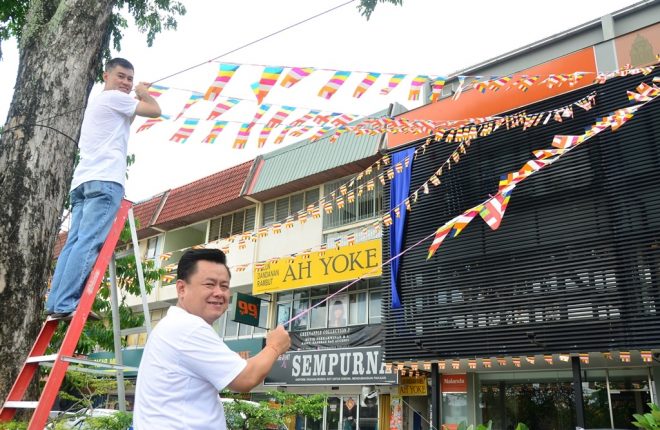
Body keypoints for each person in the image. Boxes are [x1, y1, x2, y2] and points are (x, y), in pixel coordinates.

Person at [46, 57, 161, 319]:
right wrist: (144, 93)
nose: (126, 82)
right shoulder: (114, 98)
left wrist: (135, 96)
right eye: (121, 76)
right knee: (88, 241)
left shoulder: (98, 104)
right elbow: (155, 111)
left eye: (130, 79)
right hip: (106, 180)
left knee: (74, 242)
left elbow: (127, 121)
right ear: (105, 75)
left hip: (83, 183)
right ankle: (66, 303)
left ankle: (56, 302)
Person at [132, 248, 291, 429]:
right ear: (181, 288)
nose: (219, 292)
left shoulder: (172, 325)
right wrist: (274, 347)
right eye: (209, 284)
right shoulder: (188, 328)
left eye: (224, 286)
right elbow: (245, 379)